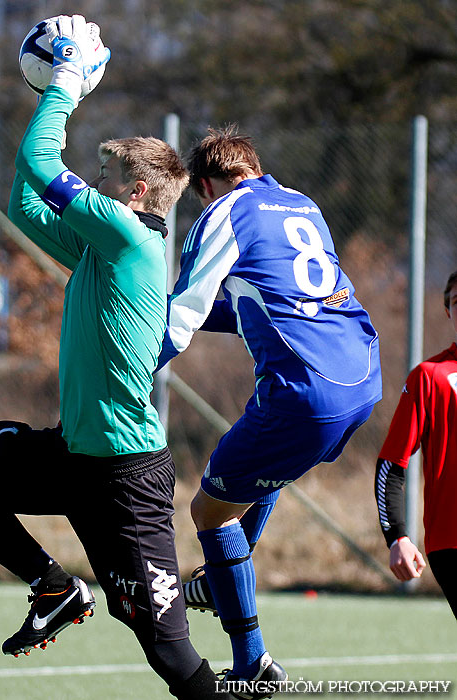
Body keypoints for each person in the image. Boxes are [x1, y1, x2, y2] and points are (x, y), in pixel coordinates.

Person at [0, 16, 232, 700]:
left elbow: (40, 166)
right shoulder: (101, 248)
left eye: (110, 174)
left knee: (172, 658)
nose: (97, 183)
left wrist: (65, 80)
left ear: (138, 193)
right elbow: (25, 202)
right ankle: (54, 587)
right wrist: (57, 93)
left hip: (126, 479)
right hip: (73, 458)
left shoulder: (127, 237)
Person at [155, 126, 382, 697]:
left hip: (306, 390)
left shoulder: (222, 212)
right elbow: (266, 298)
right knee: (257, 472)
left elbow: (184, 312)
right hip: (360, 376)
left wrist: (129, 370)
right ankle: (227, 574)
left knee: (210, 512)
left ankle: (252, 664)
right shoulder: (302, 204)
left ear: (206, 184)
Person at [375, 270, 457, 620]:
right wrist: (398, 537)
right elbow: (390, 467)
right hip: (451, 542)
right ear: (448, 312)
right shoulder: (430, 376)